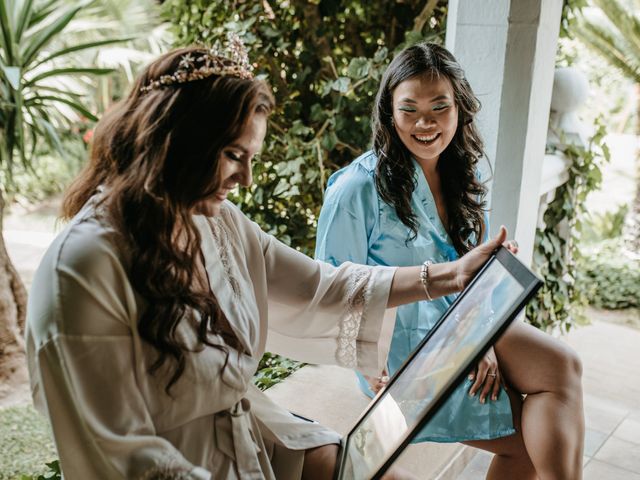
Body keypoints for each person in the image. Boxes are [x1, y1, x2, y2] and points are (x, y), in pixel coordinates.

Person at [25, 40, 510, 480]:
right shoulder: (85, 267)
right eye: (235, 155)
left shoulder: (218, 222)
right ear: (175, 141)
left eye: (252, 156)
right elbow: (119, 453)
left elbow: (322, 285)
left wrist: (454, 274)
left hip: (253, 437)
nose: (247, 178)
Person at [315, 42, 585, 480]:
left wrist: (482, 341)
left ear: (460, 108)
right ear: (388, 113)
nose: (425, 123)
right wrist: (370, 365)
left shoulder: (465, 172)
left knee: (563, 365)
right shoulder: (356, 190)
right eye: (410, 110)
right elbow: (330, 292)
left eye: (440, 107)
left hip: (461, 326)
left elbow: (472, 275)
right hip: (401, 350)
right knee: (527, 442)